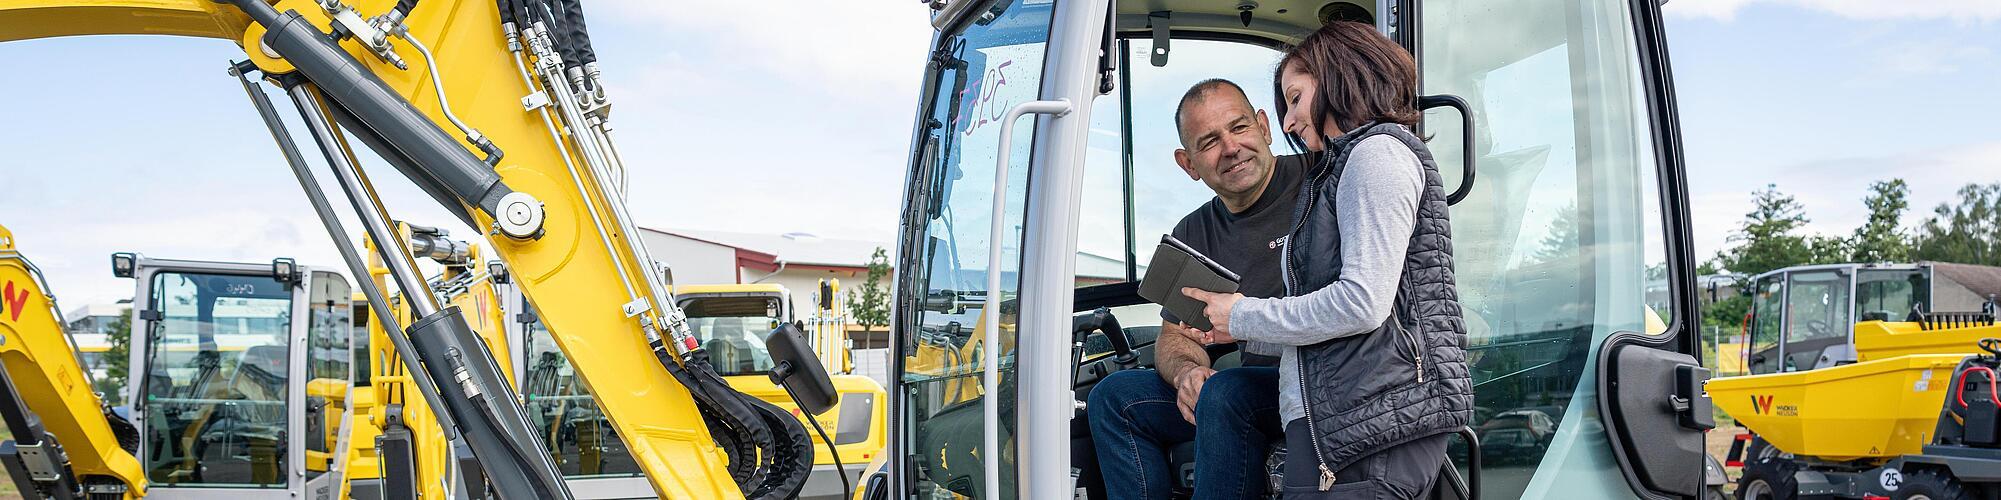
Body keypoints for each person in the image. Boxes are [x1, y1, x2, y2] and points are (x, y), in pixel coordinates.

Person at [1178, 21, 1474, 499]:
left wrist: (1245, 314)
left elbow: (1362, 302)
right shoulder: (1344, 167)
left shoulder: (1376, 155)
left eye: (1294, 99)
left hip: (1375, 419)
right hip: (1345, 419)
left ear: (1337, 77)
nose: (1290, 122)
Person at [1087, 78, 1307, 500]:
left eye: (1239, 127)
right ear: (1188, 164)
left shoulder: (1317, 186)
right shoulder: (1193, 233)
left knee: (1227, 392)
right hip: (1256, 385)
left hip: (1316, 380)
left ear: (1264, 126)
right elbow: (1175, 338)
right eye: (1209, 142)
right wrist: (1189, 372)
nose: (1230, 148)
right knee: (1114, 397)